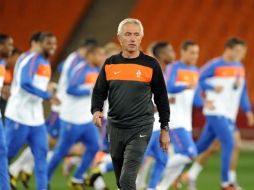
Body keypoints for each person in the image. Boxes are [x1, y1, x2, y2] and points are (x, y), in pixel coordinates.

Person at [91, 18, 170, 190]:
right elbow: (99, 91)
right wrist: (96, 110)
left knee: (127, 180)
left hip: (140, 128)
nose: (132, 38)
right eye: (128, 34)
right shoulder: (110, 63)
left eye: (136, 34)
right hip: (115, 128)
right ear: (120, 38)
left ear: (141, 38)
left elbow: (162, 99)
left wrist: (164, 128)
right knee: (121, 182)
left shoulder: (151, 65)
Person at [182, 38, 254, 190]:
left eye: (243, 51)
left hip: (228, 115)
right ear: (229, 49)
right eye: (239, 50)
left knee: (204, 147)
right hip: (216, 111)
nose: (242, 54)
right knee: (232, 143)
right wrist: (211, 89)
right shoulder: (215, 65)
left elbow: (243, 91)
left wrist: (248, 111)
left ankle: (183, 169)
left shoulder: (239, 67)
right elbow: (197, 79)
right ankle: (227, 182)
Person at [5, 32, 57, 190]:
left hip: (36, 119)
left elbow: (36, 83)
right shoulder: (30, 58)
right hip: (18, 116)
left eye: (54, 44)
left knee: (41, 157)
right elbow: (24, 83)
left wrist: (48, 88)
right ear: (37, 43)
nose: (53, 47)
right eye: (49, 43)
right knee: (6, 155)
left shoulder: (45, 62)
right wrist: (46, 95)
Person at [47, 45, 105, 189]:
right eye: (99, 55)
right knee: (61, 151)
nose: (102, 58)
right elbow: (71, 89)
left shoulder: (96, 70)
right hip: (72, 119)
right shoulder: (81, 69)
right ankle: (45, 177)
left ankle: (77, 177)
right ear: (91, 55)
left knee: (94, 146)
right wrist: (89, 90)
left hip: (85, 119)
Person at [157, 40, 202, 190]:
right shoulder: (173, 67)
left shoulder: (196, 71)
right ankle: (159, 169)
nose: (195, 56)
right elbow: (168, 86)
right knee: (189, 154)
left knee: (182, 159)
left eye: (196, 53)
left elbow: (197, 100)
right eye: (191, 52)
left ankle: (160, 187)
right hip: (173, 119)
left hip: (186, 121)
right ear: (182, 52)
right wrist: (186, 86)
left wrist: (206, 101)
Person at [136, 41, 176, 190]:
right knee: (137, 161)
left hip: (156, 127)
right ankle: (102, 168)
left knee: (162, 159)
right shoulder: (151, 71)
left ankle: (151, 188)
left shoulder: (162, 72)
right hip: (144, 126)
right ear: (162, 55)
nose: (174, 54)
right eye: (170, 51)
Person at [0, 33, 14, 190]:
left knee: (2, 151)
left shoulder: (2, 65)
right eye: (8, 45)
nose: (11, 48)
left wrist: (3, 89)